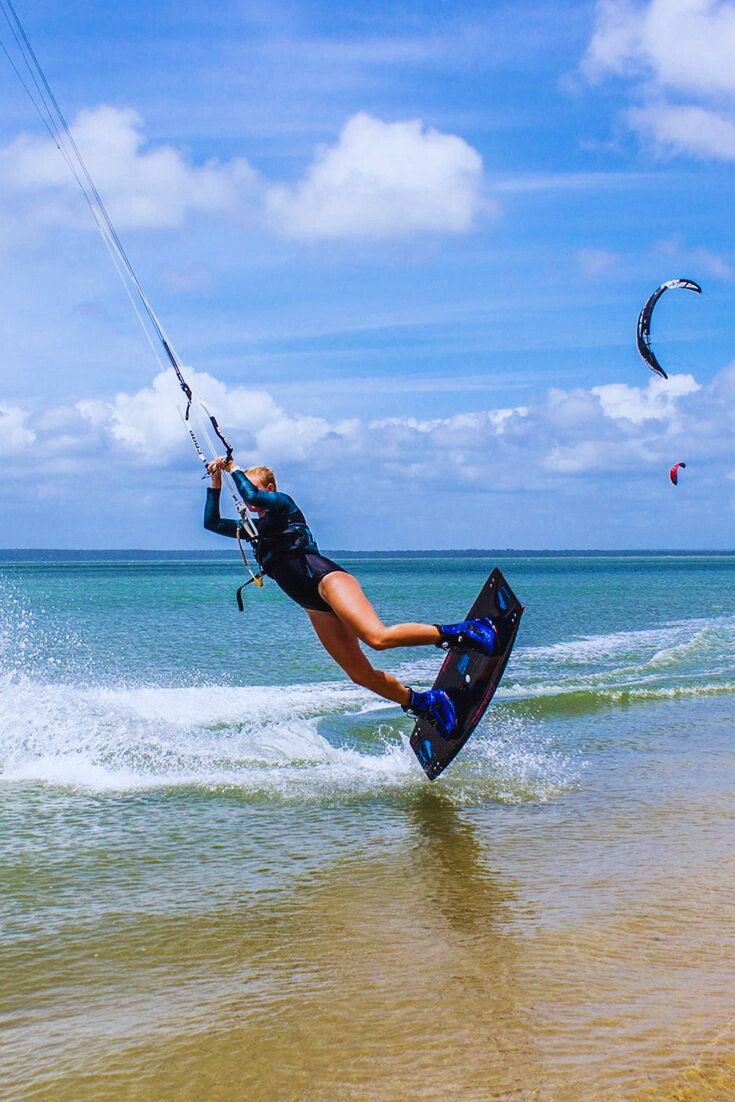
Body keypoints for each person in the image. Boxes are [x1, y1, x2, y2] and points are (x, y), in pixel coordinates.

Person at [204, 458, 497, 738]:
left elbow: (251, 492)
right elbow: (212, 522)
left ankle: (465, 633)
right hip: (313, 606)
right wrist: (216, 480)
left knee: (377, 638)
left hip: (326, 582)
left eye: (254, 494)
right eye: (246, 500)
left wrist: (232, 468)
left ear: (270, 489)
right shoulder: (253, 531)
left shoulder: (284, 505)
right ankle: (425, 703)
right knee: (359, 673)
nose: (249, 501)